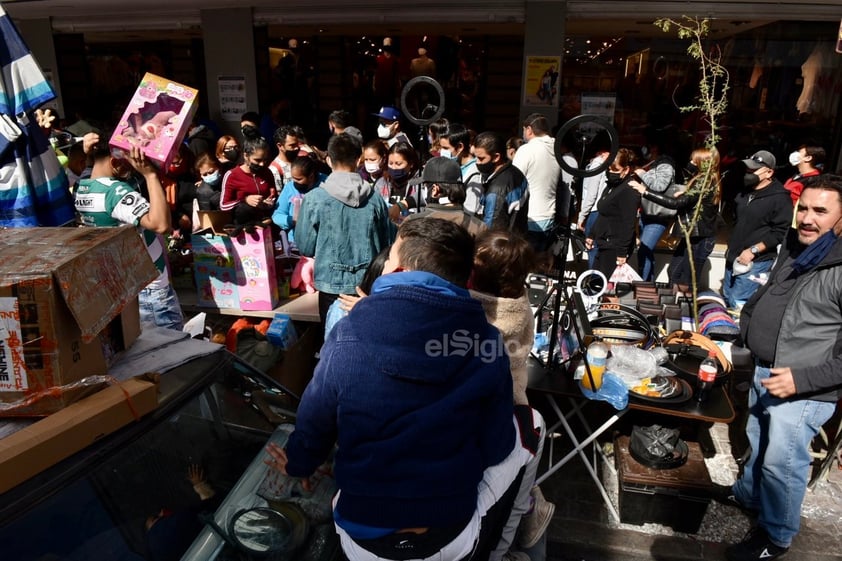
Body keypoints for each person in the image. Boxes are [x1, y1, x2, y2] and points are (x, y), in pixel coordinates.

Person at [267, 217, 543, 561]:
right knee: (534, 424)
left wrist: (298, 463)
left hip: (361, 532)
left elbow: (314, 423)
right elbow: (497, 445)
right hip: (450, 529)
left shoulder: (349, 333)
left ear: (396, 271)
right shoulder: (487, 342)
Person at [726, 175, 842, 561]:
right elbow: (773, 289)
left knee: (782, 463)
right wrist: (748, 322)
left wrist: (802, 379)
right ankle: (747, 497)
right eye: (804, 208)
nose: (807, 218)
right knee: (758, 444)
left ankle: (775, 538)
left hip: (802, 387)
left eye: (820, 211)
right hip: (765, 369)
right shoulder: (797, 247)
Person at [75, 140, 183, 331]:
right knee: (170, 353)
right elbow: (160, 224)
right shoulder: (115, 192)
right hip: (150, 292)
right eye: (128, 164)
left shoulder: (82, 187)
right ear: (115, 162)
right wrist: (150, 175)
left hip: (127, 286)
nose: (133, 170)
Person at [294, 133, 393, 334]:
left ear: (329, 160)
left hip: (331, 285)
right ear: (359, 160)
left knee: (333, 346)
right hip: (366, 286)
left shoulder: (314, 198)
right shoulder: (375, 199)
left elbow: (305, 246)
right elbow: (387, 245)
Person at [631, 147, 721, 288]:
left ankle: (687, 306)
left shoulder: (705, 182)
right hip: (692, 236)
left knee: (687, 278)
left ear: (702, 163)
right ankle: (676, 304)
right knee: (674, 271)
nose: (691, 162)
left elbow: (675, 204)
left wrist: (645, 192)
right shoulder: (700, 179)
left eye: (694, 160)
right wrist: (686, 194)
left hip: (700, 239)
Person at [722, 150, 792, 310]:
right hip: (734, 256)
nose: (749, 173)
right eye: (748, 170)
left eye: (754, 170)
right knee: (726, 297)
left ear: (769, 172)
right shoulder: (745, 192)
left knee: (738, 302)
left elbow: (780, 232)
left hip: (755, 260)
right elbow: (736, 220)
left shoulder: (780, 198)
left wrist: (753, 250)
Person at [586, 148, 642, 281]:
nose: (611, 173)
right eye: (609, 170)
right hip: (604, 242)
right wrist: (592, 234)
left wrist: (622, 252)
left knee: (604, 285)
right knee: (596, 282)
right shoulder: (611, 185)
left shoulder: (629, 190)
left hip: (615, 245)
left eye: (615, 170)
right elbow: (604, 213)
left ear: (626, 170)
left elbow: (628, 223)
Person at [512, 113, 561, 251]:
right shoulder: (556, 150)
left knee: (524, 266)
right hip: (549, 216)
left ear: (529, 129)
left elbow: (514, 182)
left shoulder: (526, 150)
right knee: (540, 266)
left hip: (529, 218)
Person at [404, 156, 486, 236]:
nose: (423, 190)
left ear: (435, 190)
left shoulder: (411, 224)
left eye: (424, 186)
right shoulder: (479, 227)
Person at [634, 136, 678, 281]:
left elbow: (659, 187)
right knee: (646, 252)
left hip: (657, 215)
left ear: (655, 148)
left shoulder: (665, 165)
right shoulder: (652, 163)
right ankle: (648, 284)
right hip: (646, 213)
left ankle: (642, 284)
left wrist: (642, 174)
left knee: (644, 250)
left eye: (648, 146)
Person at [219, 130, 277, 225]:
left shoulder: (267, 172)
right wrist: (245, 200)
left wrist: (268, 202)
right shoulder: (232, 175)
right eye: (257, 160)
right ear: (246, 156)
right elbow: (223, 206)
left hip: (266, 223)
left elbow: (273, 195)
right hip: (243, 226)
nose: (262, 164)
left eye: (265, 160)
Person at [474, 131, 529, 233]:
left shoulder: (496, 191)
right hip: (517, 239)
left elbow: (491, 230)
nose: (477, 162)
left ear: (496, 157)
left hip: (502, 244)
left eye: (481, 158)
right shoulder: (515, 172)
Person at [272, 155, 328, 244]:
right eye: (293, 178)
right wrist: (292, 220)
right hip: (296, 241)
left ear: (311, 176)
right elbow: (277, 215)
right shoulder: (289, 187)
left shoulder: (327, 184)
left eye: (299, 179)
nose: (294, 182)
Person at [439, 123, 483, 215]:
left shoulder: (474, 173)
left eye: (446, 148)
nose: (442, 151)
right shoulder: (453, 165)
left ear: (460, 147)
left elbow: (470, 210)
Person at [375, 142, 422, 221]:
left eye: (398, 164)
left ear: (411, 164)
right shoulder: (381, 183)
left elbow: (423, 198)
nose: (394, 167)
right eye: (390, 163)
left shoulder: (420, 183)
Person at [268, 125, 302, 191]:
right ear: (280, 146)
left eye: (297, 144)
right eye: (292, 145)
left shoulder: (300, 160)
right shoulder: (275, 170)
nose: (296, 148)